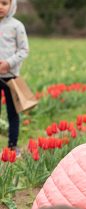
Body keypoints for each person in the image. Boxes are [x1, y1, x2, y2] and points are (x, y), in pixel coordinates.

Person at [0, 0, 29, 155]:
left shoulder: (16, 26)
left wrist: (9, 63)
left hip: (11, 77)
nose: (0, 6)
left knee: (13, 112)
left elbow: (24, 50)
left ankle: (12, 145)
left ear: (12, 5)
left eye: (4, 3)